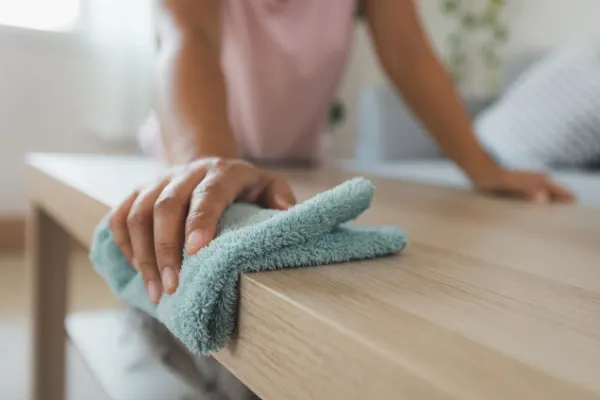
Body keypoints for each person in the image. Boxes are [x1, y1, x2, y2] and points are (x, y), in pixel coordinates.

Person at [109, 0, 575, 305]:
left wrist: (483, 168)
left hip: (298, 163)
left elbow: (409, 55)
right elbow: (189, 37)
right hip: (189, 151)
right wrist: (206, 163)